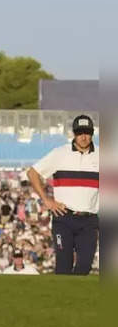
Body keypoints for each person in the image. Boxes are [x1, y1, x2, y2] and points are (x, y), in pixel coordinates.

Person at [26, 114, 99, 275]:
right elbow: (32, 173)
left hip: (89, 220)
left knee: (85, 266)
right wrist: (47, 200)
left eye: (87, 132)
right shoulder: (60, 153)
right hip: (64, 217)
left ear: (92, 133)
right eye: (80, 133)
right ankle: (60, 299)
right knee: (64, 265)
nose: (83, 137)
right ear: (74, 133)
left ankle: (75, 298)